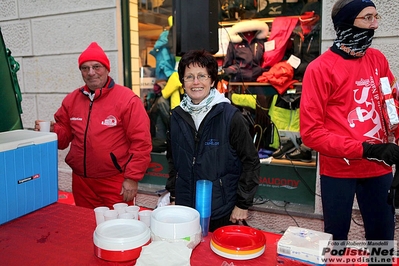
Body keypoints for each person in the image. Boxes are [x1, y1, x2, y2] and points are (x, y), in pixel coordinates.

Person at [300, 0, 398, 252]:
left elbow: (392, 108)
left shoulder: (377, 59)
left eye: (376, 17)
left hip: (379, 169)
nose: (374, 24)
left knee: (383, 243)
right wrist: (367, 149)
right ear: (345, 23)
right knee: (337, 244)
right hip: (339, 171)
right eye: (367, 18)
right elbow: (311, 134)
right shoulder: (319, 68)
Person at [34, 42, 152, 209]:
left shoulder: (127, 100)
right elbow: (63, 139)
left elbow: (141, 143)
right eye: (85, 68)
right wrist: (52, 132)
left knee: (118, 229)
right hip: (82, 182)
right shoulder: (71, 100)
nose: (91, 73)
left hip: (115, 181)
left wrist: (132, 178)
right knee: (86, 227)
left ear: (106, 69)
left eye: (96, 66)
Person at [165, 50, 260, 232]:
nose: (196, 82)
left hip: (222, 210)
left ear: (212, 80)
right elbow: (173, 161)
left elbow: (251, 162)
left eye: (202, 76)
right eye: (189, 77)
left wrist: (243, 204)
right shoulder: (176, 116)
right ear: (182, 82)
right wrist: (174, 195)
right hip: (185, 209)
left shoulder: (230, 116)